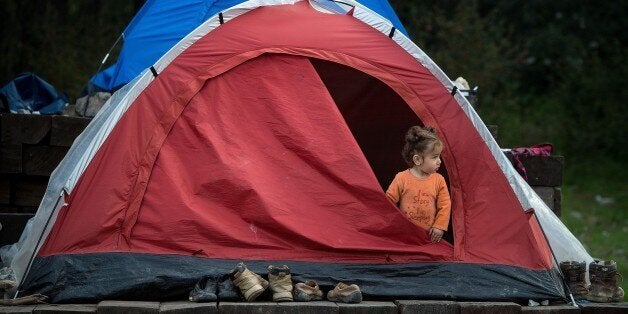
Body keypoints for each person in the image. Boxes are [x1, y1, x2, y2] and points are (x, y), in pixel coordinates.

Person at [386, 126, 451, 243]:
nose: (439, 161)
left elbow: (445, 205)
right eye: (435, 157)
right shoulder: (402, 178)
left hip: (428, 237)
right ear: (417, 160)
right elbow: (388, 201)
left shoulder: (439, 180)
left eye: (439, 156)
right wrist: (394, 224)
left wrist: (439, 226)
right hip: (404, 235)